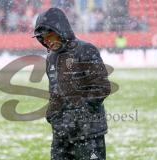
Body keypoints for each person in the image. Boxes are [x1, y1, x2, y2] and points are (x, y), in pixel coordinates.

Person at [33, 7, 111, 160]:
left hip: (88, 135)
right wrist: (52, 115)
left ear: (60, 30)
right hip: (61, 136)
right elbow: (55, 93)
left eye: (49, 35)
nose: (46, 41)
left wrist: (76, 115)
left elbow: (101, 87)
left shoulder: (86, 50)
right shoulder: (51, 59)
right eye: (42, 38)